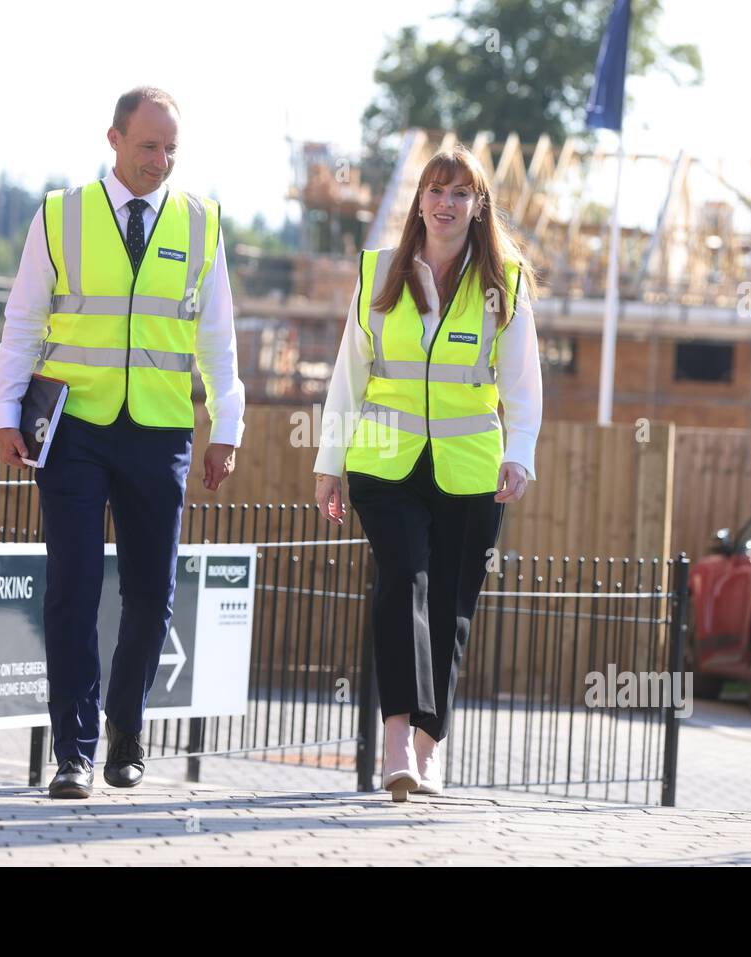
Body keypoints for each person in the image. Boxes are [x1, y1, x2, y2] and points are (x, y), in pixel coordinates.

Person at [0, 86, 245, 799]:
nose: (160, 161)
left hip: (159, 430)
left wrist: (227, 426)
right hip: (72, 429)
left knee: (152, 593)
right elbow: (23, 319)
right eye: (147, 147)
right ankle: (72, 750)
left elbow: (218, 339)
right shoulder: (60, 215)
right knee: (73, 584)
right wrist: (4, 411)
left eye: (170, 150)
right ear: (113, 139)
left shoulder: (203, 224)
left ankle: (125, 733)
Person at [313, 144, 542, 801]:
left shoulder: (505, 281)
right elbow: (348, 375)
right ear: (419, 200)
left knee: (450, 605)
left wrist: (518, 452)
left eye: (460, 194)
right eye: (436, 191)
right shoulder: (379, 272)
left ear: (478, 206)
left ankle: (427, 748)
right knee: (402, 582)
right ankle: (394, 741)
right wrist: (329, 461)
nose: (446, 204)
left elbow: (523, 383)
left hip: (471, 470)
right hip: (384, 464)